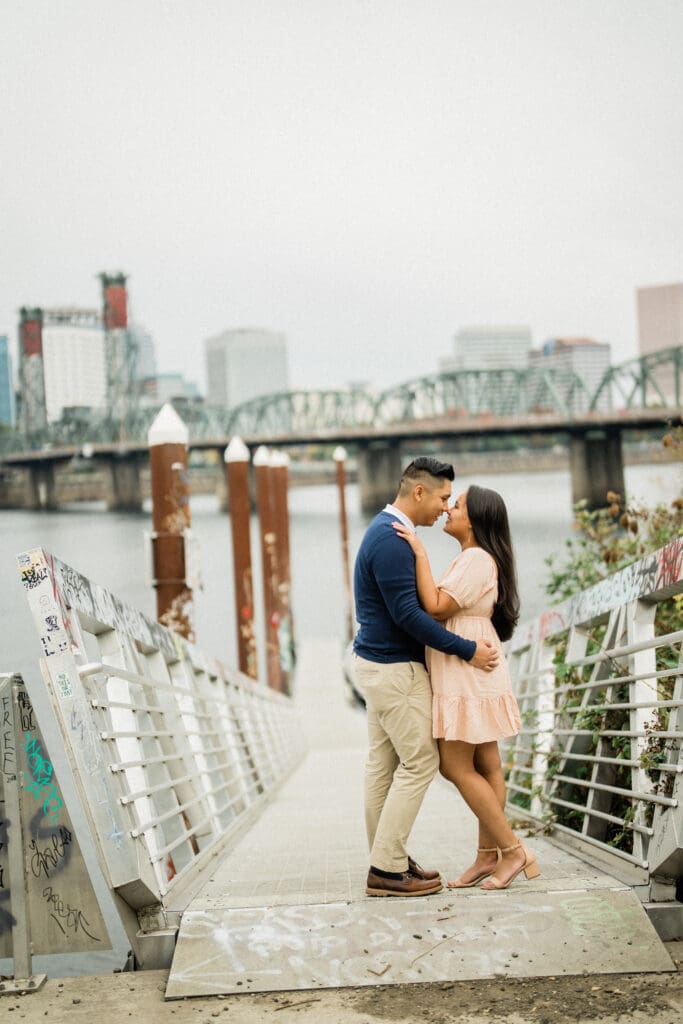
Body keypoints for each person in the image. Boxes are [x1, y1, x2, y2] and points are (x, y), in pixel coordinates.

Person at [353, 457, 500, 898]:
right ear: (419, 492)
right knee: (421, 762)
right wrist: (468, 650)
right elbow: (410, 616)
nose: (444, 506)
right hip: (395, 669)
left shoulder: (388, 532)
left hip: (377, 666)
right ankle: (387, 868)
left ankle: (388, 860)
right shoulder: (393, 539)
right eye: (441, 497)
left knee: (383, 767)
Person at [392, 484, 541, 890]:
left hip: (468, 671)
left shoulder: (475, 559)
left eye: (455, 505)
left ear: (474, 519)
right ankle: (486, 857)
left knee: (454, 765)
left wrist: (419, 553)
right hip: (471, 669)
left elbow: (437, 607)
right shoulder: (474, 558)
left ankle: (511, 851)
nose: (448, 510)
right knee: (486, 764)